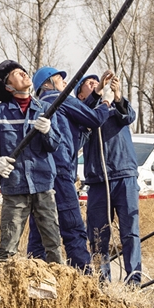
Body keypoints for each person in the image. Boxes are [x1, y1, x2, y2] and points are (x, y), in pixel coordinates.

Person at [0, 60, 64, 264]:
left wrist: (48, 132)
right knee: (8, 248)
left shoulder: (46, 109)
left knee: (53, 245)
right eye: (16, 73)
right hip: (15, 188)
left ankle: (59, 288)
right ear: (8, 86)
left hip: (42, 185)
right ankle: (4, 287)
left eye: (23, 70)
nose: (23, 73)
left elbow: (54, 145)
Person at [26, 66, 115, 270]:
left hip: (38, 176)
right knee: (73, 228)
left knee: (40, 230)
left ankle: (33, 277)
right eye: (60, 79)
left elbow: (79, 123)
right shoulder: (61, 99)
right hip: (60, 171)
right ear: (48, 84)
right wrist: (106, 102)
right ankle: (83, 281)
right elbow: (93, 119)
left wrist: (96, 92)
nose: (65, 83)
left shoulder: (36, 105)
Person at [81, 74, 142, 285]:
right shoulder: (83, 112)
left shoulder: (115, 109)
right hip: (98, 180)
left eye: (98, 82)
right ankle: (101, 281)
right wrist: (98, 92)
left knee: (130, 232)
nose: (97, 85)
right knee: (98, 235)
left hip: (124, 175)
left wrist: (117, 96)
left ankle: (134, 280)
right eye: (90, 84)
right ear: (81, 93)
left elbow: (129, 116)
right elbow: (87, 114)